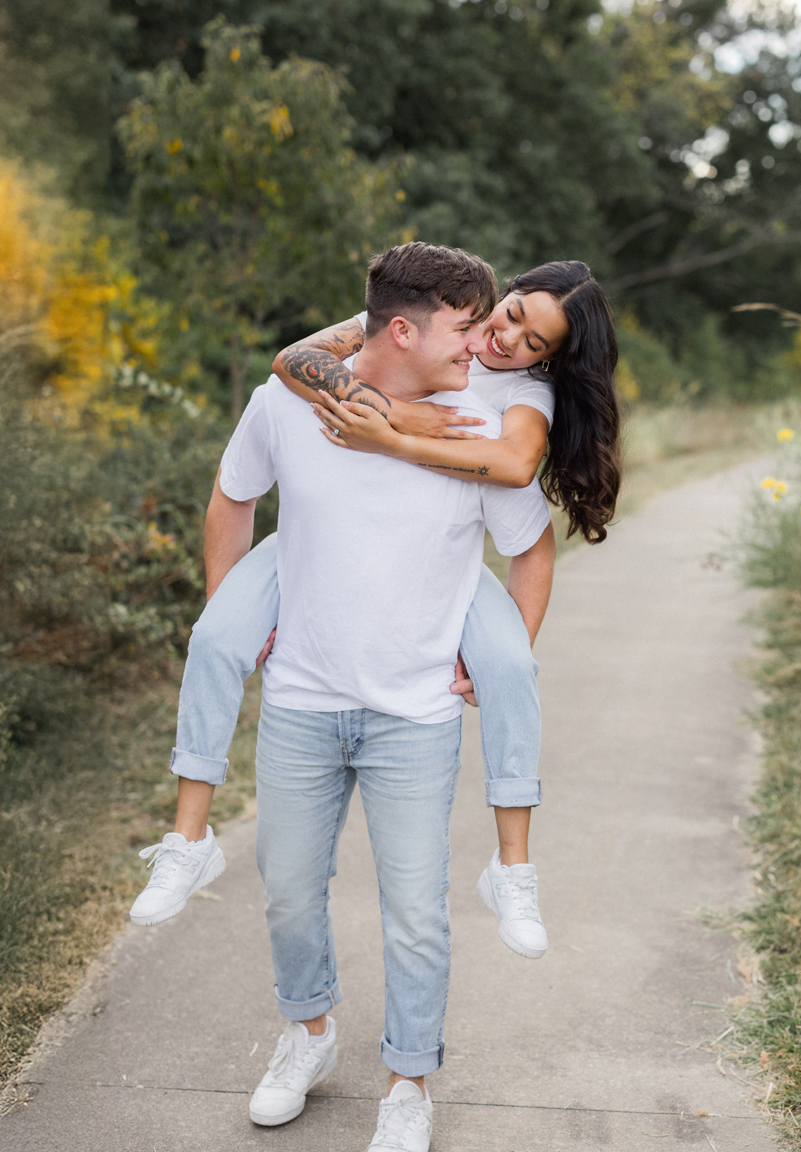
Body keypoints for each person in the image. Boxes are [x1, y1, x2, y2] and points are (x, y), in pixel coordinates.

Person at [130, 258, 621, 961]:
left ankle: (512, 866)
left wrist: (392, 433)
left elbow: (514, 468)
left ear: (549, 360)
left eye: (535, 341)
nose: (507, 339)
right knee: (214, 638)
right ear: (505, 294)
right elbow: (294, 359)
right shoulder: (435, 318)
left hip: (447, 558)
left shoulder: (524, 393)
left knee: (512, 664)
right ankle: (189, 838)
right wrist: (394, 404)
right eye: (511, 314)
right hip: (313, 541)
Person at [204, 242, 555, 1152]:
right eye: (465, 326)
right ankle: (309, 1032)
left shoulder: (477, 421)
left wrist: (496, 659)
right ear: (402, 328)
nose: (483, 343)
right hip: (301, 702)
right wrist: (238, 614)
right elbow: (233, 498)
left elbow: (532, 546)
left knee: (415, 914)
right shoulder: (288, 400)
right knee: (285, 890)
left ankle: (408, 1090)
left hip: (415, 717)